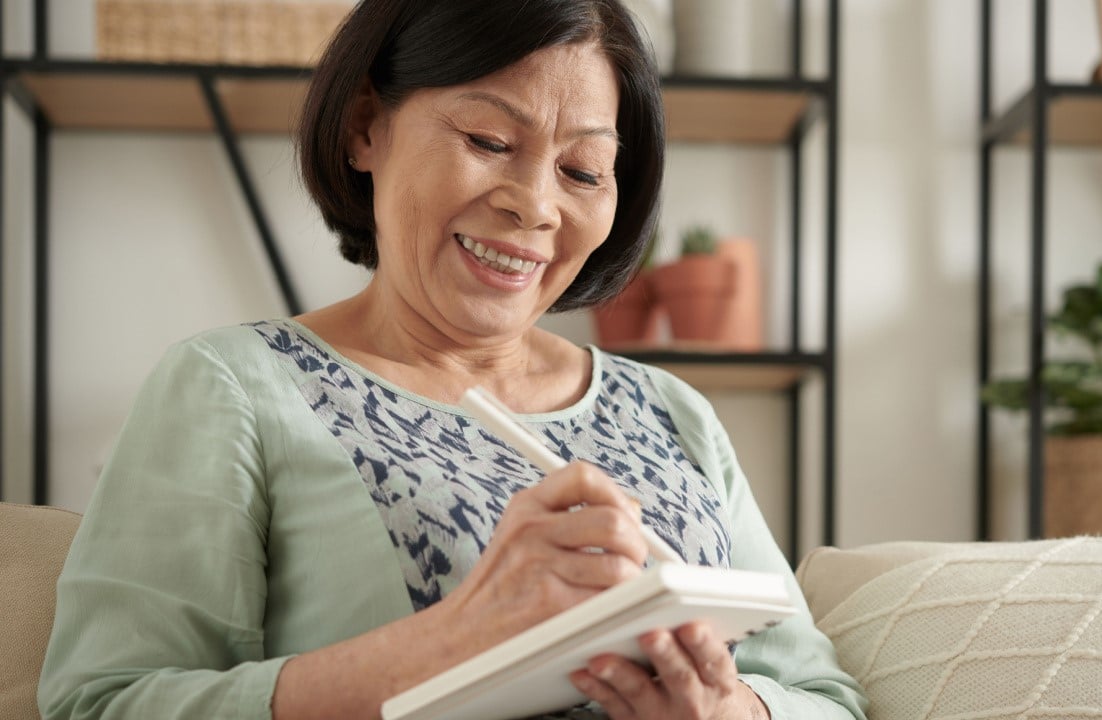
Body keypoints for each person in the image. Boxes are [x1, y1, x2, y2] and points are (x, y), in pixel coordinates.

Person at [38, 1, 868, 718]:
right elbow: (103, 702)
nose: (535, 205)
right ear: (367, 126)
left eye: (583, 170)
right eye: (487, 138)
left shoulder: (673, 412)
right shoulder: (235, 388)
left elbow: (825, 698)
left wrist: (734, 707)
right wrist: (456, 637)